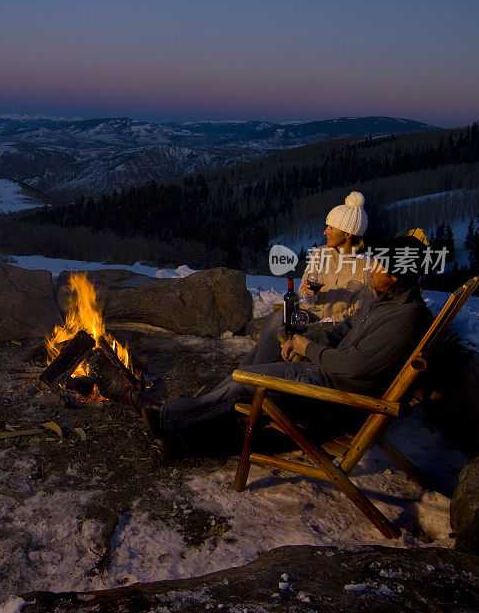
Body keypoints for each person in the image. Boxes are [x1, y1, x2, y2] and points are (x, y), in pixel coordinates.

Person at [131, 234, 433, 450]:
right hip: (328, 374)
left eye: (378, 266)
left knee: (245, 381)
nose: (370, 268)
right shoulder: (385, 302)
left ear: (394, 276)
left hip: (334, 393)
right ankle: (194, 413)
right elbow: (348, 328)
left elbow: (354, 366)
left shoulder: (403, 317)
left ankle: (168, 418)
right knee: (246, 374)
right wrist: (307, 337)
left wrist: (307, 349)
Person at [244, 191, 374, 367]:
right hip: (306, 314)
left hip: (331, 324)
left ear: (348, 234)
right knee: (277, 318)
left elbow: (358, 312)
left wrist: (327, 320)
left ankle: (250, 374)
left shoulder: (365, 267)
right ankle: (248, 371)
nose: (325, 231)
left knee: (281, 329)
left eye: (331, 228)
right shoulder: (320, 253)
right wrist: (309, 292)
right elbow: (305, 290)